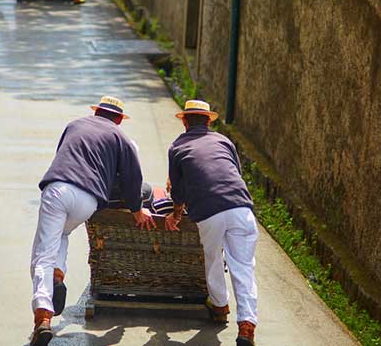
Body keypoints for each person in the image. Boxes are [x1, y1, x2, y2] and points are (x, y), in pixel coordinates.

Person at [29, 96, 156, 346]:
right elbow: (133, 179)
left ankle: (43, 316)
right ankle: (57, 274)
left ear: (97, 112)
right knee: (62, 234)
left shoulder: (74, 125)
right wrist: (137, 209)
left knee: (44, 252)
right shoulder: (122, 139)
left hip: (59, 189)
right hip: (88, 200)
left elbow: (62, 157)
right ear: (119, 120)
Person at [164, 100, 258, 346]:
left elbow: (178, 190)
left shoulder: (177, 147)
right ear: (208, 121)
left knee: (213, 257)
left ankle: (219, 306)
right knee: (244, 267)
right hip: (241, 207)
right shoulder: (224, 141)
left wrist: (175, 215)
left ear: (184, 121)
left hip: (209, 211)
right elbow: (234, 172)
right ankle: (247, 326)